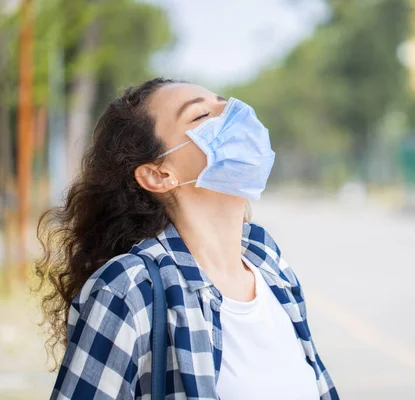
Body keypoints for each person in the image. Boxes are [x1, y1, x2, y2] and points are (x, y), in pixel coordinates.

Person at [36, 78, 339, 399]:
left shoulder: (266, 260)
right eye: (200, 116)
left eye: (225, 103)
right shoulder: (130, 289)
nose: (234, 115)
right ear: (158, 174)